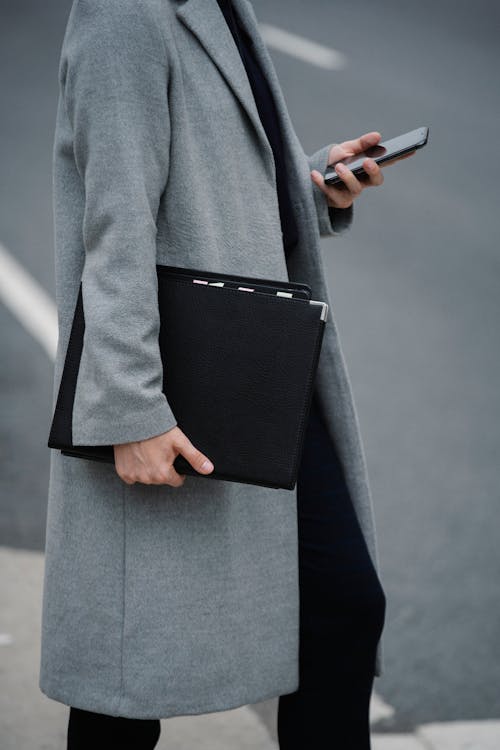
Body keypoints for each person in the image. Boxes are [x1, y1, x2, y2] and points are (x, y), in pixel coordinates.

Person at [40, 0, 409, 747]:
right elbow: (115, 217)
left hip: (251, 366)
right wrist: (131, 409)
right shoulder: (126, 13)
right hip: (176, 372)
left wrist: (313, 187)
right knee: (127, 670)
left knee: (339, 607)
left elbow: (207, 175)